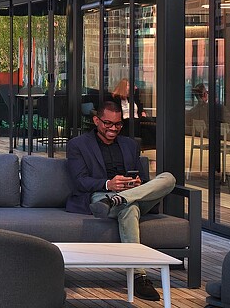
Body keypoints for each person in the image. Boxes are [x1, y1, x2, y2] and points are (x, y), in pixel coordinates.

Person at [65, 101, 176, 302]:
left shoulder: (130, 144)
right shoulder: (78, 145)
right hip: (100, 196)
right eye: (108, 123)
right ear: (96, 120)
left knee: (168, 178)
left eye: (118, 124)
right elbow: (80, 181)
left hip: (128, 195)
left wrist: (136, 183)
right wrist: (109, 184)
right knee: (129, 209)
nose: (113, 128)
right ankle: (139, 275)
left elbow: (143, 179)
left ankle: (119, 199)